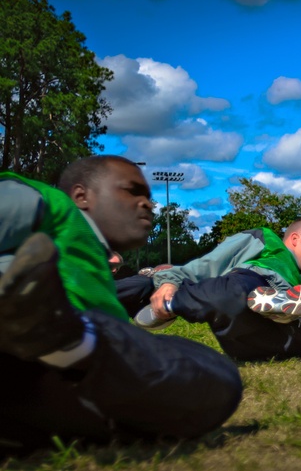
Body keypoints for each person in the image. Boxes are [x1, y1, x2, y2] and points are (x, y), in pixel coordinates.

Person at [0, 156, 242, 451]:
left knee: (218, 378)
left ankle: (69, 339)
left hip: (47, 391)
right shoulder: (49, 204)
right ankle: (58, 330)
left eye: (149, 196)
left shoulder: (94, 268)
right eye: (132, 191)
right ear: (81, 196)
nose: (148, 204)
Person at [122, 219, 301, 361]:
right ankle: (172, 305)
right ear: (294, 239)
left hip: (266, 337)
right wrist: (170, 281)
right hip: (250, 288)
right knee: (232, 291)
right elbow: (210, 263)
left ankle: (281, 309)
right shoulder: (265, 239)